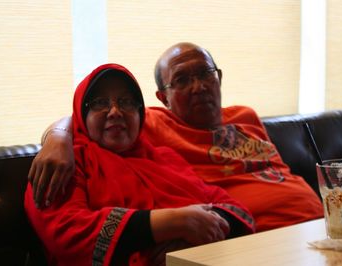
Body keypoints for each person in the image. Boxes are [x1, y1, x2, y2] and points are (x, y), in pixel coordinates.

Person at [29, 42, 323, 232]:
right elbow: (93, 116)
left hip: (323, 225)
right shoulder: (153, 123)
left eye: (206, 74)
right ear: (163, 97)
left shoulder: (246, 115)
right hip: (265, 240)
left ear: (218, 77)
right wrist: (57, 135)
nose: (199, 87)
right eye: (182, 80)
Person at [24, 63, 255, 265]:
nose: (114, 111)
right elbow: (67, 233)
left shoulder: (164, 158)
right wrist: (177, 222)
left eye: (126, 102)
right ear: (81, 115)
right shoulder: (64, 162)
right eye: (99, 103)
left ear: (140, 113)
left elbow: (237, 210)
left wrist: (189, 237)